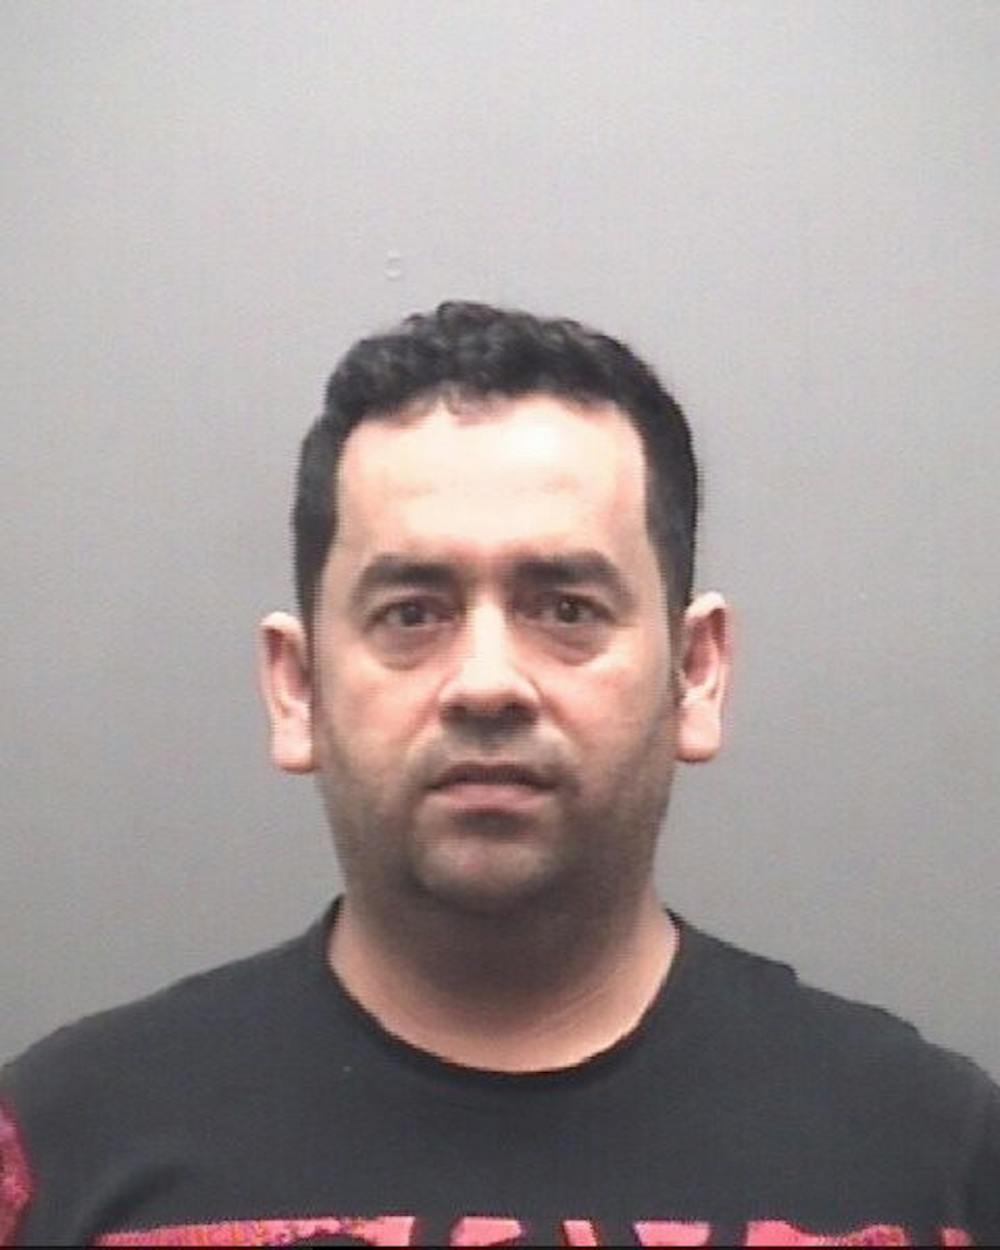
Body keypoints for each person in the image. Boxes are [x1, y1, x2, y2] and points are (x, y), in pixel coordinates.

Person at [1, 302, 997, 1248]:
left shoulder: (932, 1162)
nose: (486, 683)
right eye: (411, 613)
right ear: (297, 688)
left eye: (566, 609)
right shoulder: (57, 1151)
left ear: (696, 674)